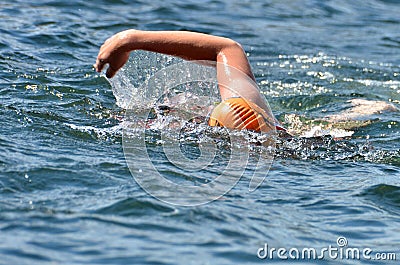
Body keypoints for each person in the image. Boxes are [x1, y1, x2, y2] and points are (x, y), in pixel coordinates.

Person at [94, 29, 285, 133]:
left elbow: (227, 48)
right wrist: (130, 40)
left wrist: (129, 40)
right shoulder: (261, 124)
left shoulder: (252, 121)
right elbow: (228, 49)